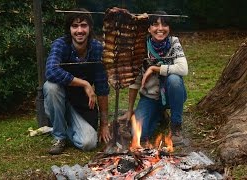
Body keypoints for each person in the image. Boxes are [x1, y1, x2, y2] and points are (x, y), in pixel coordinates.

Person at [43, 8, 112, 155]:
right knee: (51, 87)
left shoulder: (97, 49)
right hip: (60, 98)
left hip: (83, 104)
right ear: (69, 29)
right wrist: (84, 83)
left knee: (88, 143)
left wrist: (104, 124)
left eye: (83, 25)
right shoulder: (60, 44)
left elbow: (102, 87)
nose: (79, 30)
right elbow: (50, 70)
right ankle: (59, 137)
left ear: (90, 28)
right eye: (75, 26)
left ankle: (65, 126)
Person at [121, 11, 188, 146]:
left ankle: (176, 126)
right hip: (150, 97)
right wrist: (129, 110)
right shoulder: (141, 48)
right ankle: (159, 115)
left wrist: (155, 68)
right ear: (149, 28)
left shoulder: (173, 42)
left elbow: (183, 69)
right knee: (139, 134)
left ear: (169, 28)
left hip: (171, 95)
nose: (160, 29)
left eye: (164, 24)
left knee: (174, 79)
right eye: (155, 24)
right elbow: (135, 82)